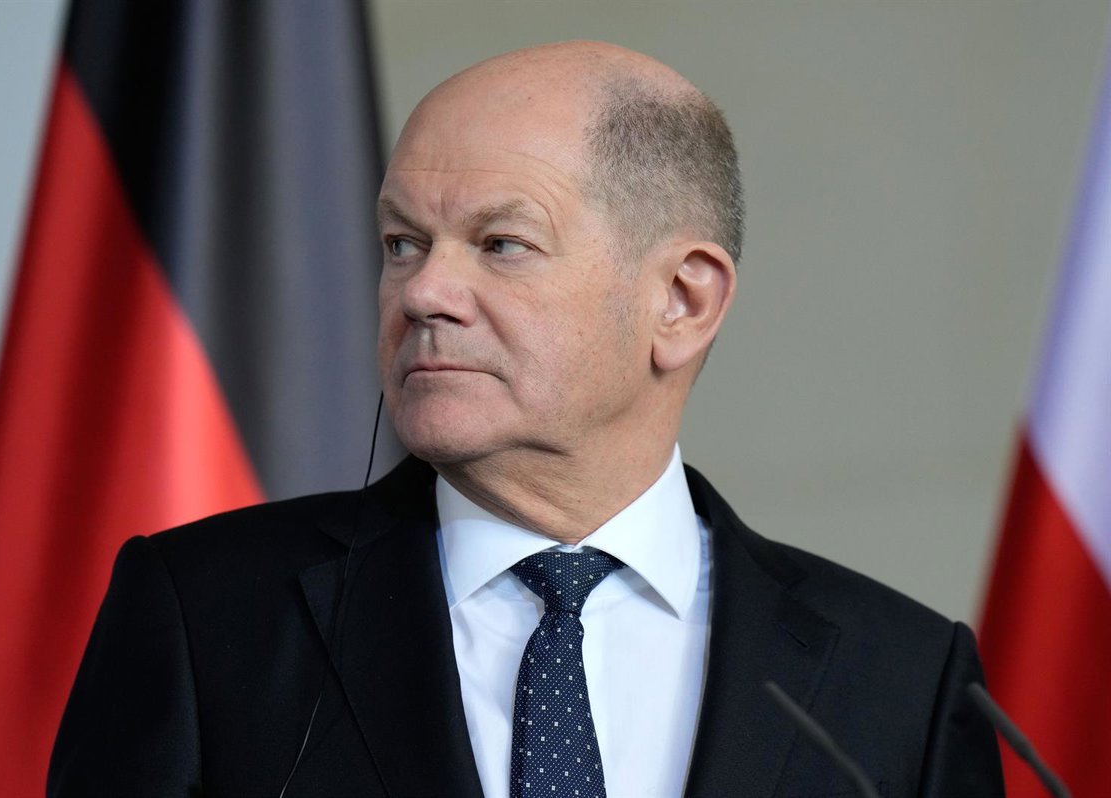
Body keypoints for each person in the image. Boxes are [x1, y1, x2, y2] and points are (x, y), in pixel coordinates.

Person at [48, 42, 1004, 798]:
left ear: (682, 300)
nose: (423, 291)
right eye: (401, 243)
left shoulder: (902, 680)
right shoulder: (207, 617)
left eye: (501, 243)